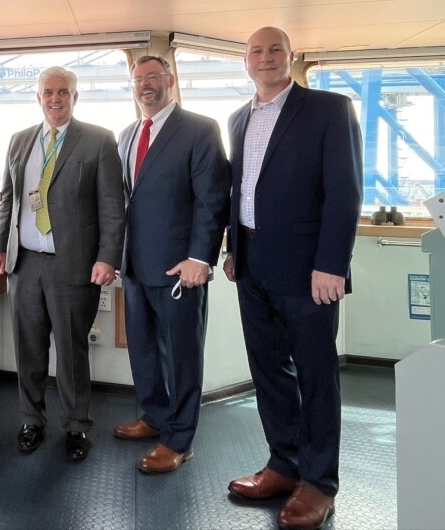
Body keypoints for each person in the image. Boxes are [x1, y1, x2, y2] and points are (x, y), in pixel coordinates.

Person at [222, 27, 362, 530]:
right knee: (268, 369)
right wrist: (232, 248)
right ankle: (284, 464)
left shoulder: (328, 109)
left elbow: (344, 192)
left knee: (317, 375)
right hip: (252, 262)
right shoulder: (238, 118)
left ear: (291, 56)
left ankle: (319, 482)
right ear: (245, 61)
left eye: (274, 49)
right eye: (255, 51)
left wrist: (332, 264)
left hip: (309, 270)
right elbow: (239, 191)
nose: (264, 58)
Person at [0, 66, 125, 461]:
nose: (55, 98)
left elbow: (112, 207)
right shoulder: (19, 141)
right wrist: (1, 248)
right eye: (48, 92)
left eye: (63, 92)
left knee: (71, 350)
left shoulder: (99, 141)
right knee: (28, 348)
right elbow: (7, 200)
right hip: (25, 264)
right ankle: (31, 420)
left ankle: (76, 426)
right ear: (38, 97)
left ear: (75, 97)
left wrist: (107, 257)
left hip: (74, 264)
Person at [113, 56, 231, 473]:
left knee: (182, 355)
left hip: (181, 267)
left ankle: (180, 439)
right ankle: (155, 417)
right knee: (143, 350)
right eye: (138, 78)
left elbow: (212, 198)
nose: (146, 85)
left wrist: (201, 257)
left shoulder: (199, 129)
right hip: (134, 265)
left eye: (154, 77)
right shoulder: (127, 134)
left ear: (171, 80)